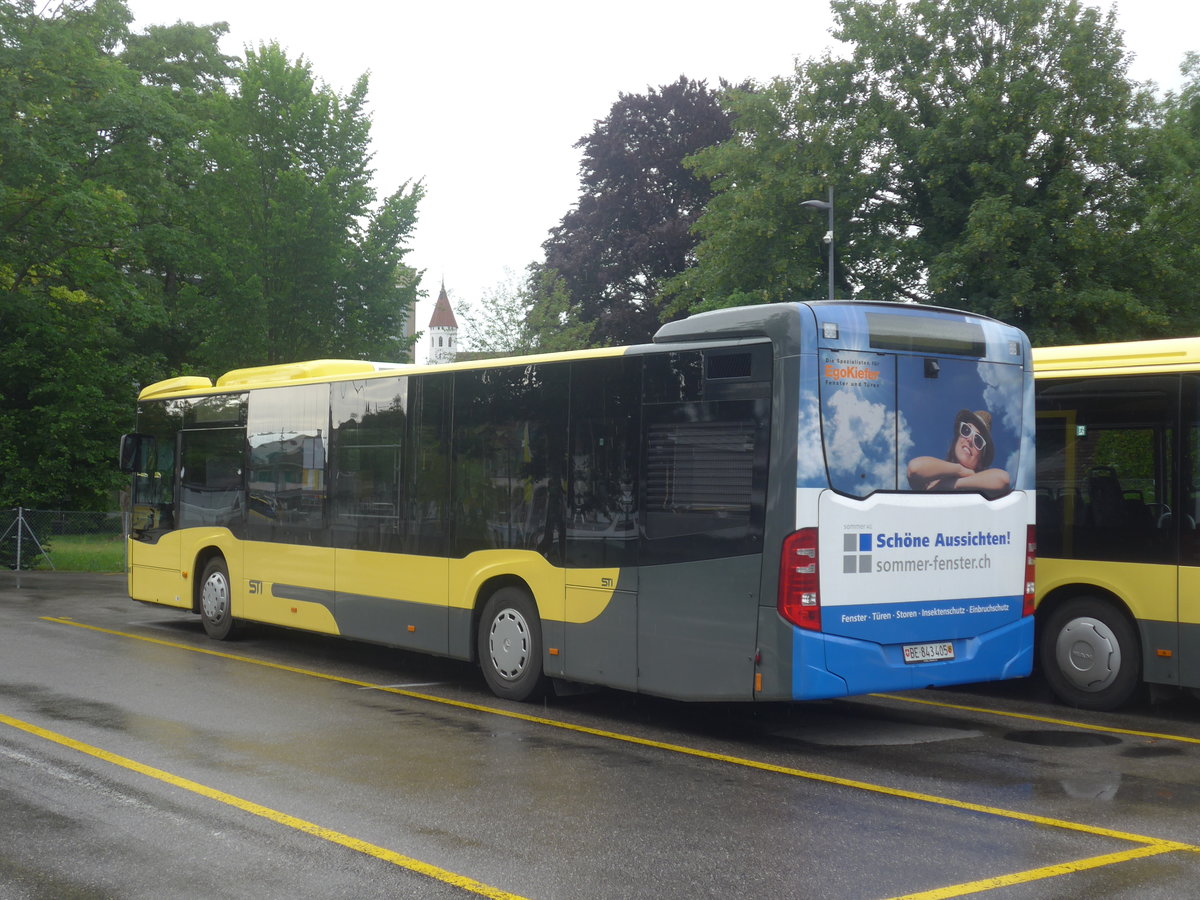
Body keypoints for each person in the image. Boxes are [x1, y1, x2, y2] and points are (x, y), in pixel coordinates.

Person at [907, 409, 1010, 492]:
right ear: (956, 440)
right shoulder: (930, 477)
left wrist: (951, 484)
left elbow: (1003, 479)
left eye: (978, 440)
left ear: (980, 462)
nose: (969, 439)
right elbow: (915, 468)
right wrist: (960, 469)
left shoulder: (984, 487)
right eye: (966, 430)